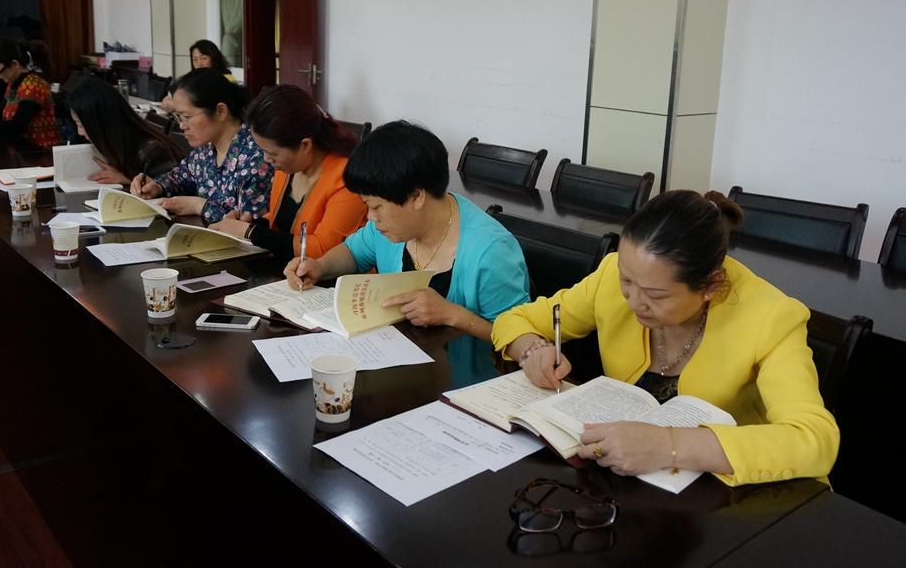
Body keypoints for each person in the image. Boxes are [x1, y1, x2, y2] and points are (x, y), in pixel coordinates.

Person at [491, 190, 839, 487]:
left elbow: (814, 439)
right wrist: (532, 350)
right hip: (631, 483)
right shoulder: (612, 278)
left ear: (711, 285)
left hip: (733, 497)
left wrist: (668, 445)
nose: (633, 301)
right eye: (627, 280)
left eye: (656, 294)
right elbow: (515, 319)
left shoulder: (770, 316)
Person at [285, 121, 530, 385]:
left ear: (416, 197)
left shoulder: (491, 252)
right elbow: (353, 252)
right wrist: (320, 266)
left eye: (376, 206)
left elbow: (524, 341)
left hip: (468, 390)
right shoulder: (389, 230)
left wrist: (452, 314)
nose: (371, 217)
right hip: (400, 377)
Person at [209, 84, 366, 260]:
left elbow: (323, 248)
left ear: (305, 145)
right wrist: (251, 224)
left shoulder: (347, 180)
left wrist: (250, 232)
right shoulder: (288, 167)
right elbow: (278, 221)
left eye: (273, 153)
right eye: (263, 150)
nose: (266, 159)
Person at [129, 69, 272, 223]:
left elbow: (250, 225)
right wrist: (157, 186)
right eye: (178, 117)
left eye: (187, 117)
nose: (182, 125)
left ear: (220, 112)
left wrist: (199, 206)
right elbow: (180, 177)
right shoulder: (206, 149)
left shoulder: (257, 156)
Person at [66, 77, 182, 185]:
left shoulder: (151, 150)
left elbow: (170, 191)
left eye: (80, 125)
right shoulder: (114, 144)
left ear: (101, 123)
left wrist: (126, 181)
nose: (80, 132)